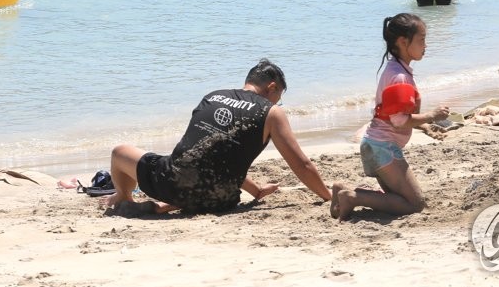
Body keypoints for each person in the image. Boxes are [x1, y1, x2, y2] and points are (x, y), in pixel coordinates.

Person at [102, 59, 332, 214]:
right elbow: (300, 164)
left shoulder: (213, 96)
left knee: (119, 152)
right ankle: (162, 206)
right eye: (278, 97)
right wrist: (327, 196)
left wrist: (257, 190)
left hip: (170, 184)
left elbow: (201, 154)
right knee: (210, 170)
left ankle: (124, 197)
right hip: (219, 199)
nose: (276, 103)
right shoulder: (271, 113)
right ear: (272, 87)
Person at [330, 13, 450, 220]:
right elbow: (399, 121)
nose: (426, 45)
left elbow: (396, 116)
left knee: (396, 197)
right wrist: (432, 116)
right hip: (382, 148)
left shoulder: (395, 68)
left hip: (377, 145)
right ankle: (351, 196)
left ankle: (344, 190)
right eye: (421, 39)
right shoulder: (400, 76)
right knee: (415, 204)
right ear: (403, 42)